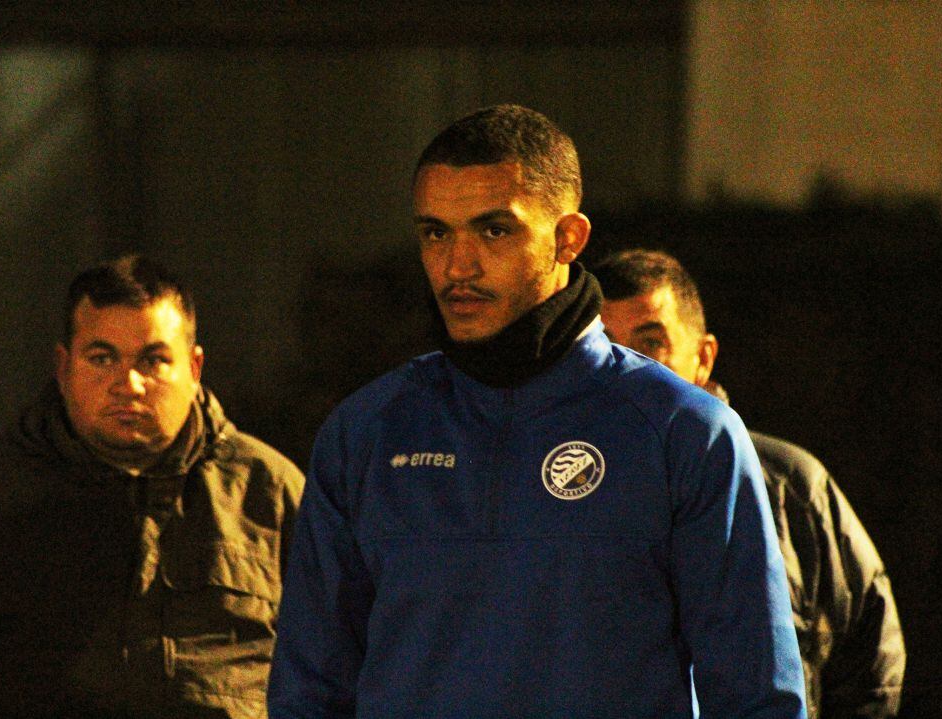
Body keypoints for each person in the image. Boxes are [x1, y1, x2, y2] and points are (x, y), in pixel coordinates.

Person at [268, 104, 806, 718]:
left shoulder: (683, 434)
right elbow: (308, 693)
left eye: (493, 230)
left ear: (568, 239)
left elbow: (756, 698)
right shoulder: (366, 433)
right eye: (435, 232)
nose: (456, 266)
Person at [0, 254, 304, 718]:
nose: (129, 384)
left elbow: (335, 669)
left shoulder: (269, 494)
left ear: (195, 369)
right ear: (64, 366)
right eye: (102, 358)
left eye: (153, 360)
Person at [593, 248, 906, 718]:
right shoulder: (557, 485)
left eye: (650, 344)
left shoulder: (791, 486)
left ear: (703, 357)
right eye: (604, 347)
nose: (624, 367)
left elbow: (870, 657)